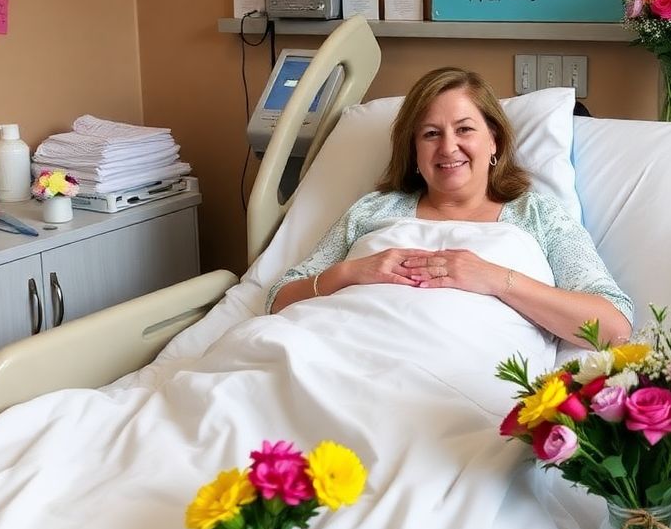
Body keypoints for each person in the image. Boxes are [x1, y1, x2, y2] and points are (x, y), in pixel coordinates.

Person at [267, 67, 632, 347]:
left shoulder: (538, 216)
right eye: (430, 134)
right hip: (334, 352)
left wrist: (496, 280)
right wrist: (349, 273)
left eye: (464, 129)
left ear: (495, 141)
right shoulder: (373, 211)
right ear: (413, 152)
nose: (447, 147)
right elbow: (279, 299)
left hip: (454, 379)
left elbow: (613, 325)